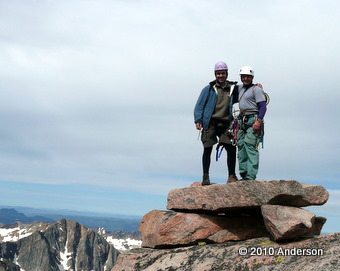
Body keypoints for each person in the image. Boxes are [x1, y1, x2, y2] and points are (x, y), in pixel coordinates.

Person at [194, 62, 239, 185]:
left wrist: (255, 86)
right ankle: (205, 176)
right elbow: (199, 105)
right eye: (218, 73)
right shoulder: (208, 89)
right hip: (210, 122)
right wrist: (198, 120)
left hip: (226, 123)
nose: (221, 76)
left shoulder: (232, 88)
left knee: (231, 148)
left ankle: (231, 176)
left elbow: (245, 91)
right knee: (207, 148)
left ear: (226, 74)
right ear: (215, 74)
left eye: (223, 73)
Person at [237, 66, 267, 180]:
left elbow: (263, 107)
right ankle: (243, 174)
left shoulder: (256, 89)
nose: (245, 79)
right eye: (243, 76)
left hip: (252, 119)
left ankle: (250, 176)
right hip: (242, 120)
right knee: (241, 146)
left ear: (252, 77)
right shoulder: (240, 89)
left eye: (247, 77)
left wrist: (258, 120)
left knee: (250, 146)